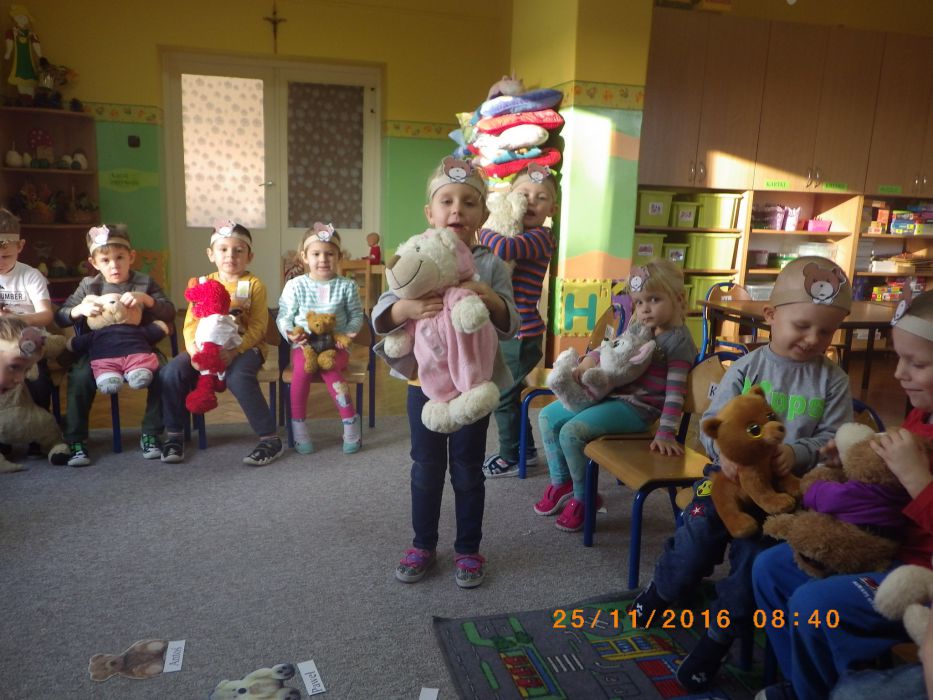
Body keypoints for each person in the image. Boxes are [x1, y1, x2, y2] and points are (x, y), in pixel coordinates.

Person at [630, 256, 854, 693]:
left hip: (784, 495)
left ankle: (718, 637)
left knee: (755, 562)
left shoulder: (834, 380)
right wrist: (724, 455)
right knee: (697, 536)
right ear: (770, 315)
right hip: (725, 481)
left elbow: (836, 440)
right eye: (802, 326)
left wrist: (798, 452)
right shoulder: (748, 368)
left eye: (826, 332)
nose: (813, 339)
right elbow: (713, 422)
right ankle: (663, 590)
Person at [753, 289, 933, 700]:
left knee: (814, 605)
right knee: (771, 568)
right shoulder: (921, 414)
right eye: (898, 358)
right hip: (886, 549)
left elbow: (911, 488)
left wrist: (917, 479)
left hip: (916, 576)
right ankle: (805, 685)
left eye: (917, 364)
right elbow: (884, 487)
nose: (899, 373)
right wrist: (850, 464)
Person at [373, 157, 519, 589]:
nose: (458, 210)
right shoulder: (414, 253)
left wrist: (490, 298)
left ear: (483, 214)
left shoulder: (490, 264)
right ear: (430, 212)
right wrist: (406, 308)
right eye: (447, 201)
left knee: (468, 470)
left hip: (472, 386)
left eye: (469, 202)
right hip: (424, 386)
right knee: (426, 467)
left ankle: (468, 548)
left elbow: (512, 322)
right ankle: (423, 544)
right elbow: (382, 312)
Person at [533, 258, 697, 532]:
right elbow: (613, 348)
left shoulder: (678, 342)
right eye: (639, 302)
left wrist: (666, 432)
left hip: (639, 409)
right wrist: (589, 360)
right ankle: (563, 481)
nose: (644, 309)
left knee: (571, 432)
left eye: (654, 299)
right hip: (612, 395)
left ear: (678, 299)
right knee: (547, 417)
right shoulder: (640, 326)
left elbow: (675, 392)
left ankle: (585, 498)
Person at [160, 221, 283, 466]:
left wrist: (235, 351)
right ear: (211, 254)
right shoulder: (201, 283)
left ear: (249, 256)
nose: (230, 255)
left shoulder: (254, 285)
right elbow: (190, 323)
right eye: (223, 249)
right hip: (204, 347)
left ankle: (270, 438)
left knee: (238, 378)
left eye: (238, 250)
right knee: (171, 372)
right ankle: (174, 434)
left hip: (246, 348)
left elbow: (259, 327)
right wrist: (194, 351)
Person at [54, 225, 175, 467]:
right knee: (79, 376)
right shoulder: (89, 285)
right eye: (106, 260)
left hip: (140, 347)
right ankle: (76, 439)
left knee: (165, 374)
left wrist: (147, 300)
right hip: (98, 352)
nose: (114, 265)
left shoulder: (144, 282)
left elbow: (170, 312)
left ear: (131, 257)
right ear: (94, 262)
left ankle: (151, 433)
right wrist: (79, 310)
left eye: (120, 258)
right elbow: (60, 316)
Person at [478, 166, 558, 478]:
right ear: (512, 199)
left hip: (523, 333)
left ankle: (510, 455)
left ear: (552, 209)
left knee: (502, 395)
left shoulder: (541, 237)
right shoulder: (518, 232)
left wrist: (483, 229)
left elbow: (502, 248)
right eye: (524, 194)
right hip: (512, 330)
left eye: (541, 197)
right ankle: (526, 451)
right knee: (512, 394)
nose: (531, 201)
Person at [277, 222, 364, 455]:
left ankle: (350, 422)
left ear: (339, 257)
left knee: (329, 368)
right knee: (302, 370)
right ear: (304, 257)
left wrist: (349, 334)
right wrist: (291, 333)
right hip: (304, 345)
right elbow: (284, 316)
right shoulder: (295, 286)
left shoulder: (347, 286)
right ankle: (299, 427)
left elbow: (356, 315)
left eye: (329, 254)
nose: (323, 259)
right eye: (316, 254)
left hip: (336, 346)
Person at [0, 208, 54, 414]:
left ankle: (38, 423)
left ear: (20, 246)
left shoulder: (30, 276)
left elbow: (46, 315)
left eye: (6, 256)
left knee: (38, 382)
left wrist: (18, 319)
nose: (0, 263)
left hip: (29, 342)